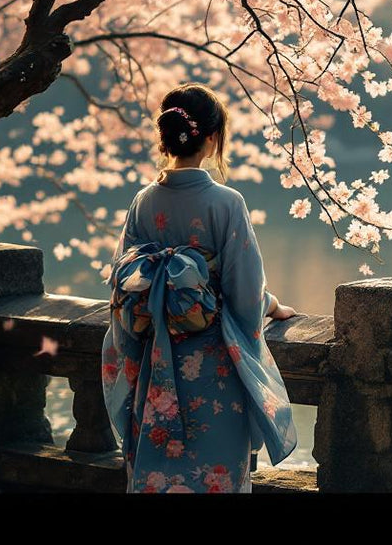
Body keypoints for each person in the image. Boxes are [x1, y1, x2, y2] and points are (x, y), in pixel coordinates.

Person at [100, 83, 298, 493]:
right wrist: (271, 304)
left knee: (158, 476)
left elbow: (123, 289)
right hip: (213, 369)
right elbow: (245, 294)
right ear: (212, 138)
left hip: (156, 367)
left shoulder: (143, 202)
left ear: (166, 138)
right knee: (215, 477)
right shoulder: (226, 203)